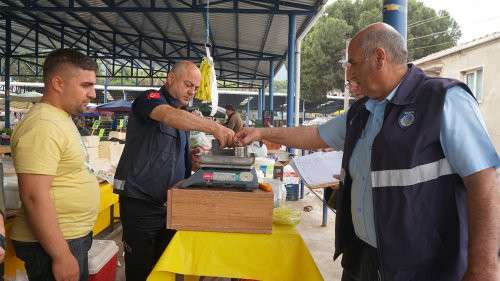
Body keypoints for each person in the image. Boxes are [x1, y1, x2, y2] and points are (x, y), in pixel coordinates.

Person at [236, 23, 500, 281]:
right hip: (362, 258)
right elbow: (316, 135)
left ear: (379, 57)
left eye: (352, 62)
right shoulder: (363, 111)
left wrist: (484, 268)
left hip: (420, 267)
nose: (348, 73)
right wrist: (261, 133)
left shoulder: (443, 99)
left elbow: (484, 183)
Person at [114, 60, 235, 281]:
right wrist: (215, 126)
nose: (192, 91)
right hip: (141, 203)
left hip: (171, 204)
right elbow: (168, 117)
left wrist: (190, 160)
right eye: (188, 84)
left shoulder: (182, 113)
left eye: (196, 88)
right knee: (142, 270)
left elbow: (165, 152)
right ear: (170, 78)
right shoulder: (150, 100)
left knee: (169, 266)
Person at [10, 48, 99, 281]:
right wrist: (61, 255)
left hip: (68, 238)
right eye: (86, 85)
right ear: (58, 83)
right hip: (53, 245)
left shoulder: (59, 117)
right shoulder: (43, 124)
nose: (93, 94)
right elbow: (33, 195)